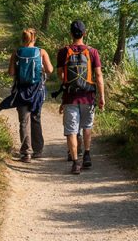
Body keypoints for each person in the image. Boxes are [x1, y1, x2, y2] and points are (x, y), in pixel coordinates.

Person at [57, 20, 105, 174]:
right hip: (88, 96)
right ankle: (87, 155)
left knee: (71, 130)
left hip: (70, 98)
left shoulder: (63, 52)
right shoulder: (93, 52)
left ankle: (76, 163)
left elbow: (61, 76)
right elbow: (98, 76)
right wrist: (101, 97)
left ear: (71, 34)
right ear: (84, 33)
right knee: (87, 127)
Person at [7, 28, 53, 162]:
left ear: (22, 38)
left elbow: (10, 72)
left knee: (23, 121)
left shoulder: (16, 52)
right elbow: (50, 69)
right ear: (34, 38)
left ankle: (26, 152)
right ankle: (38, 150)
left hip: (21, 91)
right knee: (35, 118)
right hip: (37, 90)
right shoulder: (41, 52)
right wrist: (41, 68)